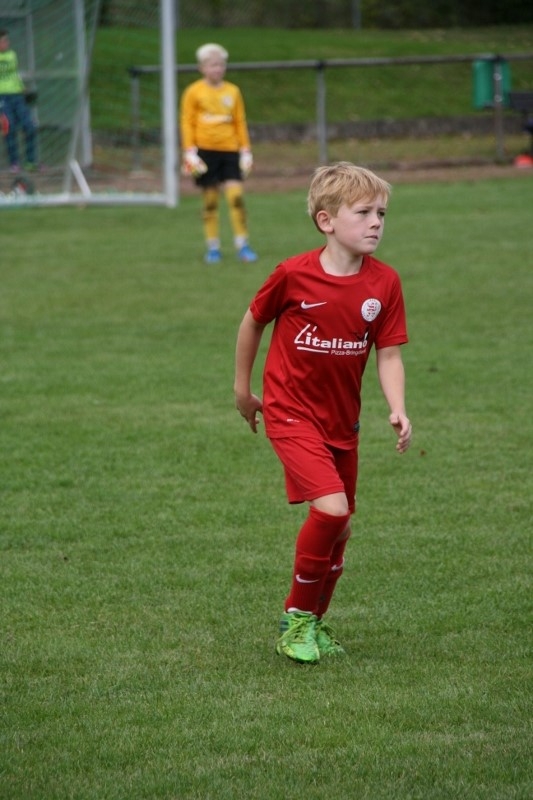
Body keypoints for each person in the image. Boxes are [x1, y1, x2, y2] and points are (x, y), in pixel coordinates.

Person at [234, 162, 412, 664]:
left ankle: (314, 621)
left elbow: (389, 354)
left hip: (342, 422)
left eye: (381, 213)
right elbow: (252, 322)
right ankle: (295, 621)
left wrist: (398, 408)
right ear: (326, 221)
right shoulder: (293, 274)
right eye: (364, 212)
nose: (376, 222)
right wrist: (243, 390)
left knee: (342, 527)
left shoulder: (385, 283)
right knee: (332, 510)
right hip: (290, 412)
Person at [179, 42, 257, 265]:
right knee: (211, 201)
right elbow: (187, 122)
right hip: (205, 152)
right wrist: (189, 151)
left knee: (236, 198)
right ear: (201, 68)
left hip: (230, 150)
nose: (217, 69)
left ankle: (243, 244)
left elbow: (240, 121)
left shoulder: (233, 91)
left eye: (221, 65)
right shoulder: (193, 91)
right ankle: (213, 247)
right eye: (212, 65)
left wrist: (246, 150)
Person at [0, 29, 38, 173]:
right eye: (3, 40)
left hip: (17, 95)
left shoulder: (12, 55)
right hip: (2, 97)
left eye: (7, 40)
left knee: (30, 126)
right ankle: (14, 163)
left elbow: (14, 74)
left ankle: (31, 162)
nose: (6, 43)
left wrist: (23, 89)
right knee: (9, 128)